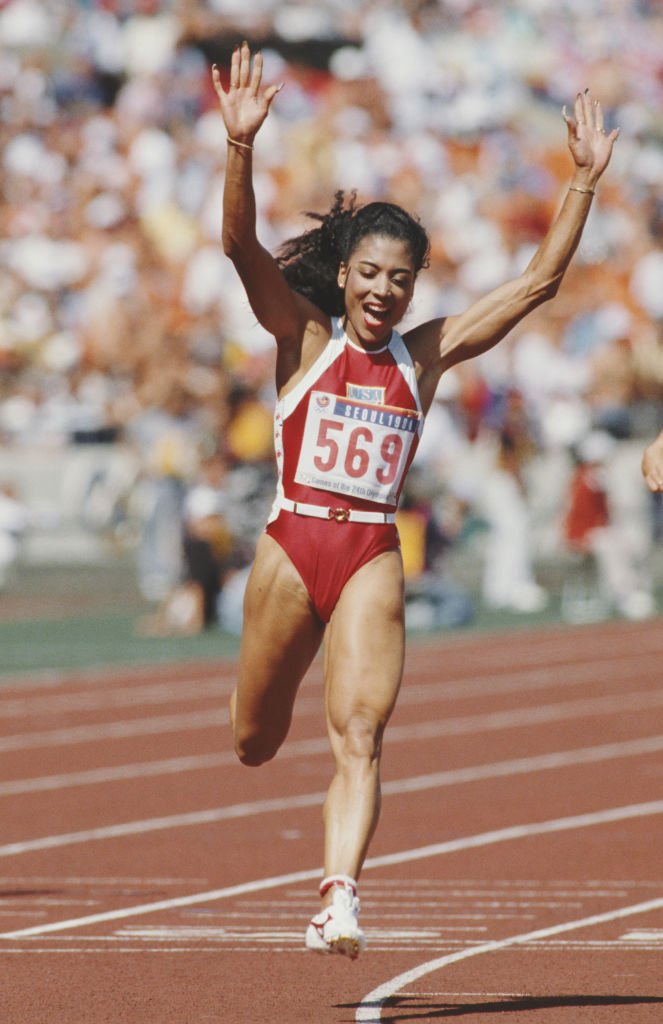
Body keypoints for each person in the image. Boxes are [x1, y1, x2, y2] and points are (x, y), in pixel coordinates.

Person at [211, 43, 618, 959]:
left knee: (360, 732)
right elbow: (238, 247)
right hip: (289, 545)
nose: (384, 293)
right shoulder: (303, 335)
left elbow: (534, 286)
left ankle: (338, 898)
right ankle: (298, 812)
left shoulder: (422, 356)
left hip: (367, 553)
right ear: (345, 272)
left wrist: (581, 183)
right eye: (371, 274)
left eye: (401, 279)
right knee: (252, 740)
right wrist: (239, 149)